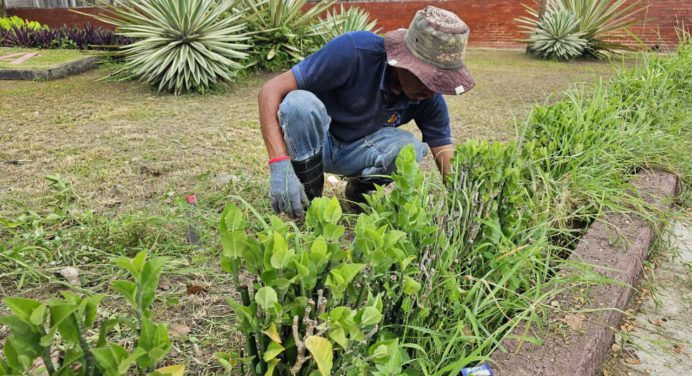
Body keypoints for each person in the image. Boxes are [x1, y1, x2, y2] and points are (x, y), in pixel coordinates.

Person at [258, 6, 475, 218]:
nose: (432, 89)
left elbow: (444, 150)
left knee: (409, 148)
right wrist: (279, 165)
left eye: (439, 82)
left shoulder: (426, 95)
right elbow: (270, 91)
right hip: (317, 143)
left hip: (357, 152)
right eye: (426, 77)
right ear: (403, 61)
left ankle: (358, 192)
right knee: (298, 103)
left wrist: (463, 202)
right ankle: (309, 201)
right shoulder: (355, 51)